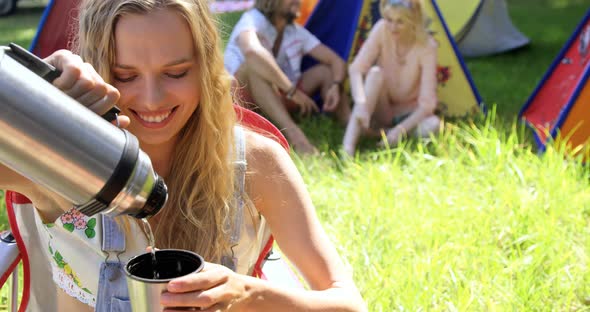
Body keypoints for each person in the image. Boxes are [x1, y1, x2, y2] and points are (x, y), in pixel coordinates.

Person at [0, 0, 366, 311]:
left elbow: (347, 302)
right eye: (125, 76)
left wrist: (249, 292)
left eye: (175, 72)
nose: (152, 99)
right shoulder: (55, 159)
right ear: (96, 66)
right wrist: (28, 92)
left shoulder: (254, 163)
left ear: (206, 67)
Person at [225, 0, 351, 154]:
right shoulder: (252, 19)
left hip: (277, 97)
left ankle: (352, 127)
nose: (297, 1)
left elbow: (335, 61)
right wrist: (291, 90)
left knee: (326, 72)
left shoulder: (294, 32)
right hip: (240, 100)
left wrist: (336, 85)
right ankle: (297, 139)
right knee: (253, 67)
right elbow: (251, 51)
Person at [342, 0, 441, 156]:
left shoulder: (427, 46)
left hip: (408, 112)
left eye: (400, 21)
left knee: (432, 125)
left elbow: (427, 105)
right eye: (389, 19)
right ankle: (347, 148)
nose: (393, 27)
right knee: (375, 74)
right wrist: (361, 103)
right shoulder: (381, 29)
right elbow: (356, 68)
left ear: (412, 20)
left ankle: (385, 134)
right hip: (383, 106)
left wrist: (399, 131)